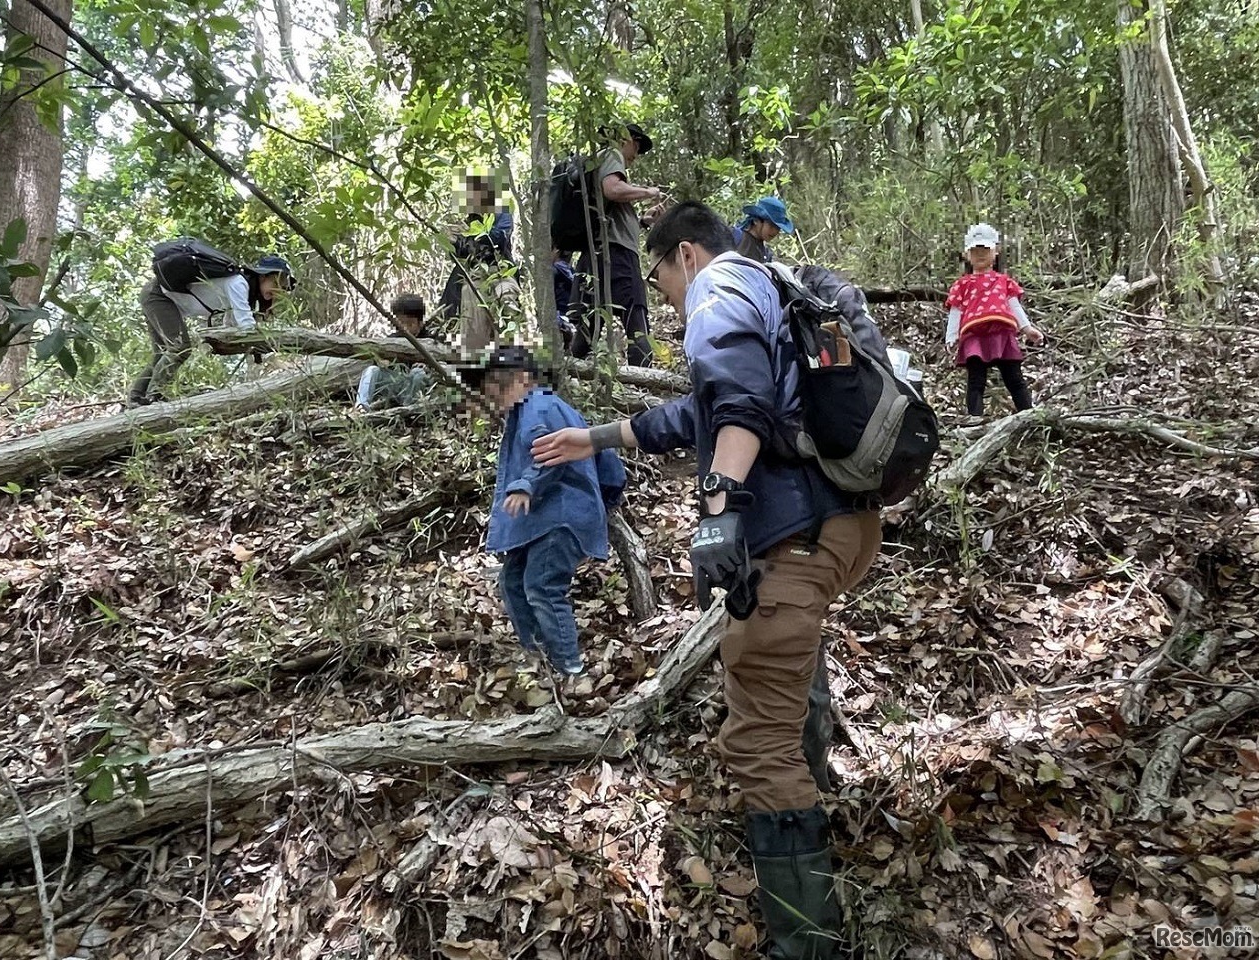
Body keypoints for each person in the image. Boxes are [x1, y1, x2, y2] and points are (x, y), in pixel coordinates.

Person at [532, 201, 882, 959]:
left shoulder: (719, 288)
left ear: (684, 255)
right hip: (845, 526)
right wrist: (593, 437)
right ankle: (807, 789)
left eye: (660, 283)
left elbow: (740, 405)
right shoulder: (774, 291)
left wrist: (719, 509)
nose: (665, 299)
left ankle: (808, 942)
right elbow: (703, 409)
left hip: (789, 534)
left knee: (757, 740)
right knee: (787, 662)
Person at [463, 345, 625, 680]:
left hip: (558, 515)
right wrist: (605, 499)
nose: (495, 396)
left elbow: (550, 453)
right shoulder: (539, 410)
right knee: (512, 581)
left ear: (523, 379)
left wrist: (526, 485)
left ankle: (570, 668)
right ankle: (539, 657)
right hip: (545, 518)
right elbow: (608, 464)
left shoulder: (539, 407)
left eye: (499, 388)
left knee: (541, 585)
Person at [128, 247, 295, 407]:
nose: (280, 290)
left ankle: (136, 398)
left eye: (284, 287)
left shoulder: (243, 289)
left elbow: (230, 325)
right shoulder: (239, 283)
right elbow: (247, 328)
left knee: (163, 352)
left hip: (158, 295)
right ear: (263, 276)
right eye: (278, 282)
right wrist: (272, 355)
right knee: (179, 348)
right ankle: (154, 397)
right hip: (158, 295)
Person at [568, 122, 664, 367]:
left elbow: (608, 210)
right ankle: (643, 384)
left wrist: (642, 221)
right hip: (617, 255)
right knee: (636, 319)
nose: (636, 155)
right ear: (626, 139)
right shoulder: (612, 154)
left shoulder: (598, 161)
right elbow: (612, 190)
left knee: (589, 326)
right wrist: (648, 191)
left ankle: (569, 374)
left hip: (597, 253)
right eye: (637, 145)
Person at [946, 223, 1044, 416]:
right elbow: (956, 310)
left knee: (1014, 379)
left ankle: (1029, 416)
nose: (980, 254)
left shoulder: (1003, 281)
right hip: (974, 335)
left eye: (985, 249)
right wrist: (951, 336)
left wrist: (1027, 329)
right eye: (975, 250)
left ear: (996, 251)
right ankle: (975, 419)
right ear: (967, 254)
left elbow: (1013, 305)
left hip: (1002, 333)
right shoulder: (962, 284)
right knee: (976, 382)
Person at [438, 173, 520, 351]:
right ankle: (470, 347)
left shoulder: (501, 214)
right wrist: (453, 241)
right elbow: (460, 255)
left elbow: (500, 238)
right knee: (461, 297)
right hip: (473, 273)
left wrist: (470, 234)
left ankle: (508, 346)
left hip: (499, 269)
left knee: (506, 297)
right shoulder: (470, 220)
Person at [356, 294, 433, 411]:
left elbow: (439, 365)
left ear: (420, 323)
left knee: (418, 373)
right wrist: (382, 362)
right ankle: (361, 406)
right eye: (401, 323)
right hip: (396, 385)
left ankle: (409, 409)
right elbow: (378, 359)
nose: (405, 328)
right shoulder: (392, 340)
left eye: (410, 324)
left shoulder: (430, 341)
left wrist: (426, 366)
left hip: (417, 390)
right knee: (372, 370)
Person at [731, 196, 795, 263]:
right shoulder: (734, 237)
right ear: (756, 221)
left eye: (778, 228)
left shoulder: (767, 255)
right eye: (771, 225)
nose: (775, 231)